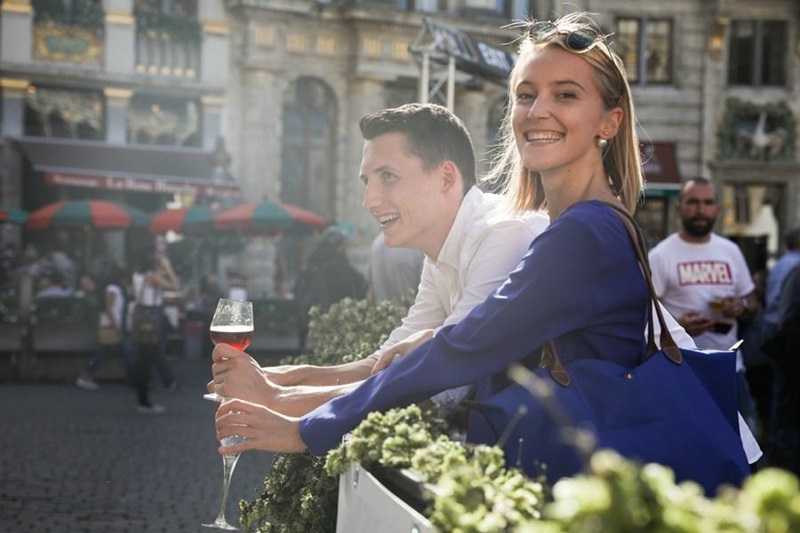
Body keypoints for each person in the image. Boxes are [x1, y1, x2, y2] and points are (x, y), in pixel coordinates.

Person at [214, 14, 756, 479]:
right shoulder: (593, 221)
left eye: (565, 94)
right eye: (525, 94)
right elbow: (461, 345)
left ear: (610, 122)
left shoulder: (583, 232)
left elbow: (464, 350)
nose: (538, 110)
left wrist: (306, 429)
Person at [210, 102, 550, 415]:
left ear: (446, 177)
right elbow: (384, 364)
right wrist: (289, 377)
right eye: (367, 181)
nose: (369, 201)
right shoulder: (442, 249)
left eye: (387, 176)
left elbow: (440, 381)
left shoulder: (503, 233)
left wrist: (275, 399)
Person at [648, 177, 761, 437]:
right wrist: (679, 325)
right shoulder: (661, 255)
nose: (701, 210)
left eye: (708, 203)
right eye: (693, 202)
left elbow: (752, 302)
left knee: (746, 445)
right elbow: (646, 313)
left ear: (717, 209)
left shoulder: (730, 250)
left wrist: (740, 306)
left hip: (731, 368)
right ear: (679, 209)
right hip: (684, 369)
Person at [760, 226, 800, 473]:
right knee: (785, 395)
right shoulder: (795, 267)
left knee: (780, 392)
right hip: (787, 341)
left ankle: (777, 444)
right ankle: (781, 449)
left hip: (776, 333)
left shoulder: (783, 264)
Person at [292, 227, 368, 351]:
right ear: (339, 247)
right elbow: (359, 289)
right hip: (334, 330)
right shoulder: (338, 268)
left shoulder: (311, 266)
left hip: (311, 328)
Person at [130, 250, 179, 414]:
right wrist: (168, 268)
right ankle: (144, 401)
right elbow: (174, 285)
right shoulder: (151, 276)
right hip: (151, 319)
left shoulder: (137, 275)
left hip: (140, 317)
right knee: (147, 359)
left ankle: (143, 396)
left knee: (144, 358)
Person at [76, 264, 134, 390]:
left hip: (111, 325)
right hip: (112, 326)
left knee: (103, 353)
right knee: (125, 352)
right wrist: (115, 325)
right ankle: (133, 378)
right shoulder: (112, 288)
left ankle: (86, 373)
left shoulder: (111, 288)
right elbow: (109, 308)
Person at [366, 232, 424, 303]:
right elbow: (427, 292)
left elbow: (371, 291)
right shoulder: (416, 246)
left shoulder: (377, 242)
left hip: (382, 311)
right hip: (411, 311)